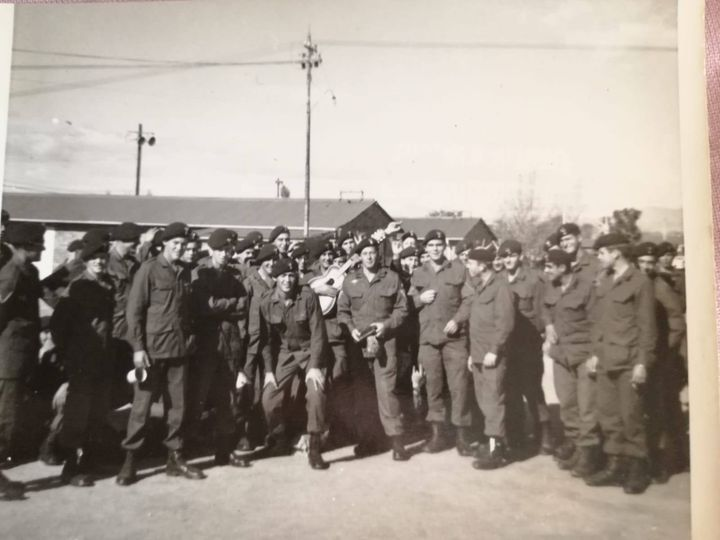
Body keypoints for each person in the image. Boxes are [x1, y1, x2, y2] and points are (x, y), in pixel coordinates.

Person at [116, 222, 205, 486]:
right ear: (164, 244)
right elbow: (134, 313)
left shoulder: (185, 272)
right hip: (152, 353)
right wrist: (138, 349)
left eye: (183, 245)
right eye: (175, 244)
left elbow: (186, 312)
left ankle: (174, 459)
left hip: (178, 351)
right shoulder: (149, 270)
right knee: (141, 408)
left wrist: (189, 338)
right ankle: (130, 461)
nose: (180, 248)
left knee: (177, 407)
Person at [585, 233, 657, 494]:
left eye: (601, 253)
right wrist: (594, 353)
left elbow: (647, 328)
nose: (599, 257)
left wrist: (642, 363)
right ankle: (616, 465)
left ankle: (638, 468)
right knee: (609, 416)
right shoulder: (604, 281)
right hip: (605, 360)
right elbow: (599, 323)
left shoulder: (640, 282)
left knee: (631, 417)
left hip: (628, 362)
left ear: (615, 252)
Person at [337, 238, 410, 461]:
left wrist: (386, 325)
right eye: (365, 253)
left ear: (378, 255)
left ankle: (397, 441)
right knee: (363, 393)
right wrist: (350, 329)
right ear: (359, 256)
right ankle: (368, 440)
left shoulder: (391, 278)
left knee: (387, 391)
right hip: (359, 345)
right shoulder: (350, 281)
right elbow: (343, 311)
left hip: (384, 341)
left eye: (372, 252)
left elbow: (402, 309)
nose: (369, 256)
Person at [50, 239, 115, 487]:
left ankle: (89, 460)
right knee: (77, 414)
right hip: (82, 360)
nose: (100, 261)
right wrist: (70, 354)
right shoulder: (77, 287)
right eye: (94, 258)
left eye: (103, 257)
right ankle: (70, 466)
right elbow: (59, 325)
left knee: (97, 412)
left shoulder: (107, 284)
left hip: (102, 358)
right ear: (86, 261)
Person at [255, 258, 329, 470]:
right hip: (286, 353)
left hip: (310, 351)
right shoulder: (267, 301)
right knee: (269, 397)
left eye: (290, 275)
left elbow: (318, 334)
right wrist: (269, 371)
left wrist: (314, 366)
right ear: (275, 278)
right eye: (282, 276)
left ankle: (314, 447)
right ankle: (279, 440)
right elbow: (266, 340)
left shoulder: (307, 297)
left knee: (316, 393)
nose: (287, 280)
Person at [188, 228, 250, 468]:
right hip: (206, 346)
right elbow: (206, 306)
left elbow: (244, 306)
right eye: (222, 250)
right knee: (197, 400)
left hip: (229, 345)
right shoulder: (200, 273)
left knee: (227, 400)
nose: (227, 254)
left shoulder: (234, 275)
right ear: (211, 250)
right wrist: (230, 305)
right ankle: (182, 454)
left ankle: (224, 452)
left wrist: (223, 306)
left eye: (230, 250)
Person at [409, 230, 473, 456]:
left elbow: (469, 299)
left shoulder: (459, 269)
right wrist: (419, 299)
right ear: (425, 248)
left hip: (454, 339)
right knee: (432, 388)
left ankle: (462, 438)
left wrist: (458, 320)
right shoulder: (418, 273)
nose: (435, 249)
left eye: (439, 245)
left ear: (444, 246)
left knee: (459, 388)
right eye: (431, 245)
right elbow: (408, 303)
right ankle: (437, 436)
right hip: (428, 339)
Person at [542, 249, 602, 478]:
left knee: (587, 406)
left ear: (562, 267)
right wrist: (548, 327)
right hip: (561, 356)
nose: (546, 271)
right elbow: (544, 308)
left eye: (549, 267)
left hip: (584, 355)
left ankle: (589, 453)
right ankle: (577, 447)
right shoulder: (552, 287)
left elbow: (598, 322)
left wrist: (596, 354)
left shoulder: (586, 288)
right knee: (567, 403)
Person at [635, 242, 687, 482]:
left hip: (662, 358)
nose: (646, 267)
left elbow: (677, 323)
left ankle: (668, 461)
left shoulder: (660, 287)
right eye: (642, 262)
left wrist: (664, 352)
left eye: (650, 263)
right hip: (643, 356)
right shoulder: (636, 285)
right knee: (645, 409)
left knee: (663, 409)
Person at [0, 222, 45, 499]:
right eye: (38, 244)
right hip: (7, 360)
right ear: (24, 247)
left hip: (22, 356)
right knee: (5, 420)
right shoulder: (10, 275)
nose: (41, 248)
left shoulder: (30, 271)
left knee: (11, 420)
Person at [498, 239, 553, 455]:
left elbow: (542, 310)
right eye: (504, 256)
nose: (508, 260)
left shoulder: (533, 280)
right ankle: (517, 436)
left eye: (512, 256)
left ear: (520, 256)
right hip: (507, 345)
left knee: (532, 390)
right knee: (511, 391)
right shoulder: (499, 280)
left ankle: (545, 435)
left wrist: (542, 334)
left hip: (528, 344)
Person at [463, 246, 515, 470]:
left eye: (471, 263)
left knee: (494, 401)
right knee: (485, 401)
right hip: (478, 354)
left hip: (492, 355)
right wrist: (472, 354)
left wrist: (494, 350)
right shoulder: (479, 286)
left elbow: (505, 323)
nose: (469, 267)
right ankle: (494, 442)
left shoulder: (500, 287)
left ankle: (496, 451)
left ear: (482, 265)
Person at [238, 243, 277, 451]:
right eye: (267, 261)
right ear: (260, 263)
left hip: (271, 343)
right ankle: (244, 434)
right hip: (251, 343)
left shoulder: (278, 283)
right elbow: (241, 314)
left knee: (267, 388)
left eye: (274, 260)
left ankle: (263, 432)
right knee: (248, 389)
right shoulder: (250, 283)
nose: (271, 264)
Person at [107, 222, 143, 406]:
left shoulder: (133, 264)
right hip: (110, 331)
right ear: (119, 241)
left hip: (127, 332)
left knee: (124, 384)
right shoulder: (104, 262)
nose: (136, 245)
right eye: (133, 242)